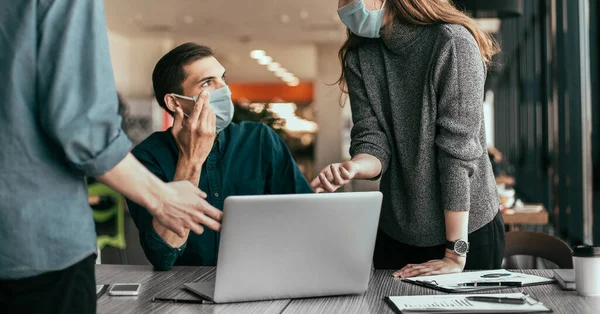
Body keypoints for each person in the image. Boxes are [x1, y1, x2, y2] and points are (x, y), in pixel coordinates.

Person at [0, 1, 222, 313]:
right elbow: (82, 126)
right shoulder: (151, 155)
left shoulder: (259, 140)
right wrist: (162, 197)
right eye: (208, 83)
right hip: (36, 248)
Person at [312, 0, 504, 278]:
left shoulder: (452, 42)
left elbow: (457, 154)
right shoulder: (360, 55)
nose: (343, 5)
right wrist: (354, 167)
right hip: (397, 232)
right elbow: (371, 138)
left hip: (465, 234)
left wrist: (454, 253)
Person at [126, 43, 312, 270]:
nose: (224, 89)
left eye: (223, 78)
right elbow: (162, 256)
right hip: (182, 291)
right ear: (174, 102)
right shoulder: (145, 159)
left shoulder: (260, 139)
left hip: (262, 277)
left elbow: (306, 219)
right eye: (208, 83)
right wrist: (191, 161)